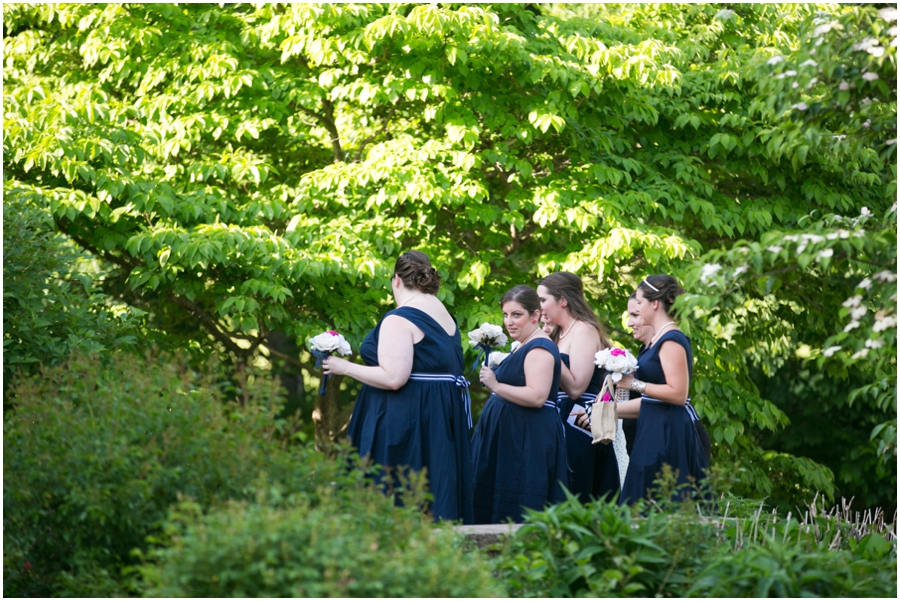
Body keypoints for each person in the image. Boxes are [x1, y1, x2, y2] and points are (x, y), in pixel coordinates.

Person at [323, 250, 474, 523]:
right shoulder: (445, 315)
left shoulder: (399, 318)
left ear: (396, 281)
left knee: (398, 493)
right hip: (437, 418)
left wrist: (342, 367)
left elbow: (394, 378)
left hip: (408, 422)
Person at [470, 285, 568, 523]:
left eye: (516, 315)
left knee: (520, 504)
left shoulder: (540, 347)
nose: (509, 322)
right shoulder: (524, 345)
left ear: (535, 316)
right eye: (505, 315)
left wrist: (496, 385)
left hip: (526, 439)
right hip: (511, 438)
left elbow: (537, 396)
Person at [614, 275, 708, 504]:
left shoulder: (671, 340)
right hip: (653, 425)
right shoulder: (656, 340)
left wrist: (634, 384)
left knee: (664, 501)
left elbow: (678, 393)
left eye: (639, 301)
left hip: (669, 431)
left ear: (654, 304)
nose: (636, 307)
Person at [537, 272, 620, 503]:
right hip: (556, 415)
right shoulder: (557, 334)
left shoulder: (584, 330)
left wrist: (546, 347)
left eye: (544, 300)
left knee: (575, 488)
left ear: (562, 300)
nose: (540, 307)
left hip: (578, 418)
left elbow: (576, 387)